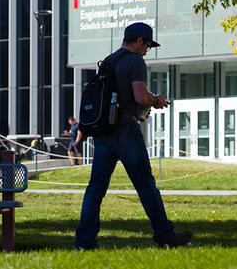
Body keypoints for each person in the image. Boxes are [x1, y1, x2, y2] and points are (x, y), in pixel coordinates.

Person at [75, 22, 193, 250]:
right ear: (139, 41)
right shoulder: (135, 61)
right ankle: (165, 236)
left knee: (96, 188)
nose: (146, 50)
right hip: (125, 128)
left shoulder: (109, 60)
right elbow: (139, 97)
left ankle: (85, 242)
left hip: (104, 129)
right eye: (147, 45)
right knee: (146, 186)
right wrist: (156, 99)